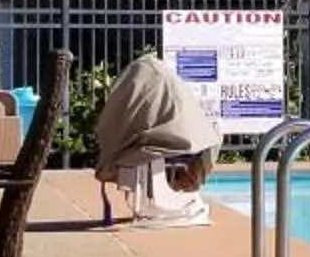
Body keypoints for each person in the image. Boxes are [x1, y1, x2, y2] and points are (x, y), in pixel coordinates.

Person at [94, 50, 221, 228]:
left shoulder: (150, 85)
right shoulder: (163, 87)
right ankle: (182, 182)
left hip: (170, 139)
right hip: (175, 139)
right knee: (205, 141)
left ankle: (181, 183)